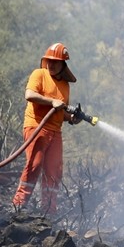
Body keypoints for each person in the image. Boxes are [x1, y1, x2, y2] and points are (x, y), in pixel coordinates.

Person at [12, 42, 82, 213]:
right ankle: (19, 205)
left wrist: (72, 119)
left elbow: (59, 112)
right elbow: (29, 95)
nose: (51, 65)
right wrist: (52, 101)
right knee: (34, 166)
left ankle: (48, 210)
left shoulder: (65, 86)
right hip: (36, 126)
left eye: (55, 62)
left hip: (55, 131)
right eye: (49, 61)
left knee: (54, 170)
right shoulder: (39, 74)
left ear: (63, 64)